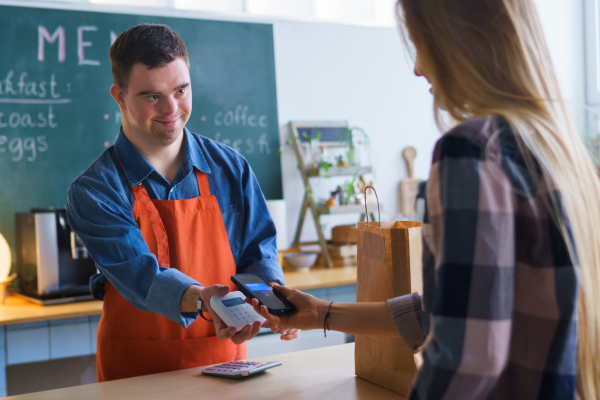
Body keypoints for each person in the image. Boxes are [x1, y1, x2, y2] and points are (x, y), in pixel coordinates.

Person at [249, 1, 600, 399]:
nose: (418, 68)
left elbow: (468, 355)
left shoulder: (471, 150)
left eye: (422, 45)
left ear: (458, 43)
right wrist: (322, 313)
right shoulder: (558, 147)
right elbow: (461, 309)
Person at [66, 24, 298, 382]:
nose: (171, 109)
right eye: (151, 96)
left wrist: (273, 304)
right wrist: (205, 300)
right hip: (136, 378)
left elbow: (258, 250)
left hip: (225, 366)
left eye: (181, 90)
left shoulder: (231, 169)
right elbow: (140, 275)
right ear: (120, 96)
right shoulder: (94, 190)